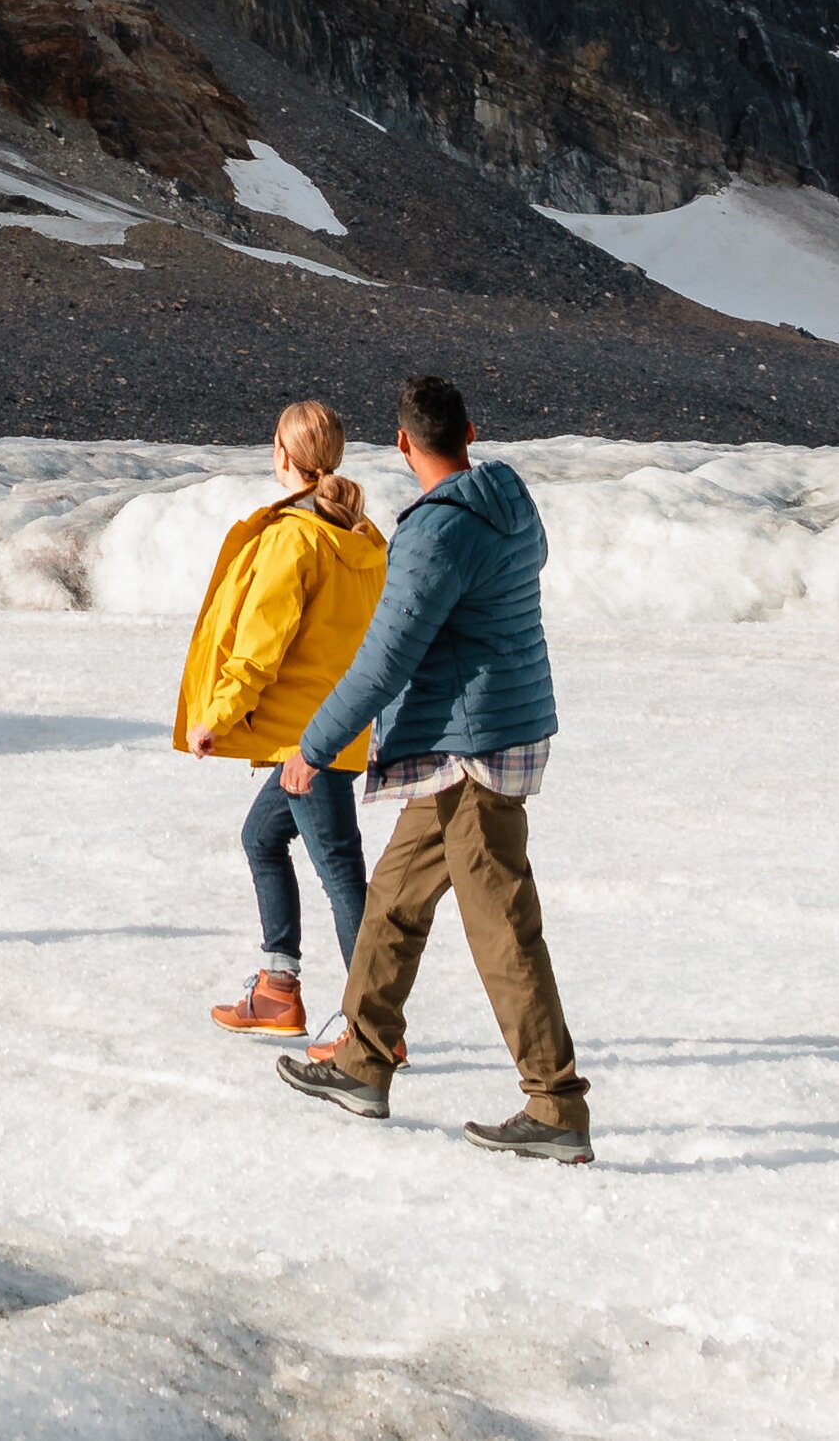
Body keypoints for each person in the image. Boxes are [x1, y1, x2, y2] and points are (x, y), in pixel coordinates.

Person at [272, 373, 590, 1164]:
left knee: (502, 928)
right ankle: (361, 1063)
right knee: (392, 900)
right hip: (488, 732)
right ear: (471, 432)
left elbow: (384, 661)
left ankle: (554, 1104)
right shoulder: (507, 502)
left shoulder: (436, 532)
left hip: (470, 746)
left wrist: (314, 748)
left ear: (403, 443)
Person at [172, 398, 387, 1039]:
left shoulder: (296, 539)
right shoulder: (362, 539)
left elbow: (259, 645)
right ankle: (278, 989)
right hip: (341, 728)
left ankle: (372, 1025)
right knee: (262, 840)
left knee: (341, 871)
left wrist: (217, 715)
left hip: (307, 743)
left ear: (283, 457)